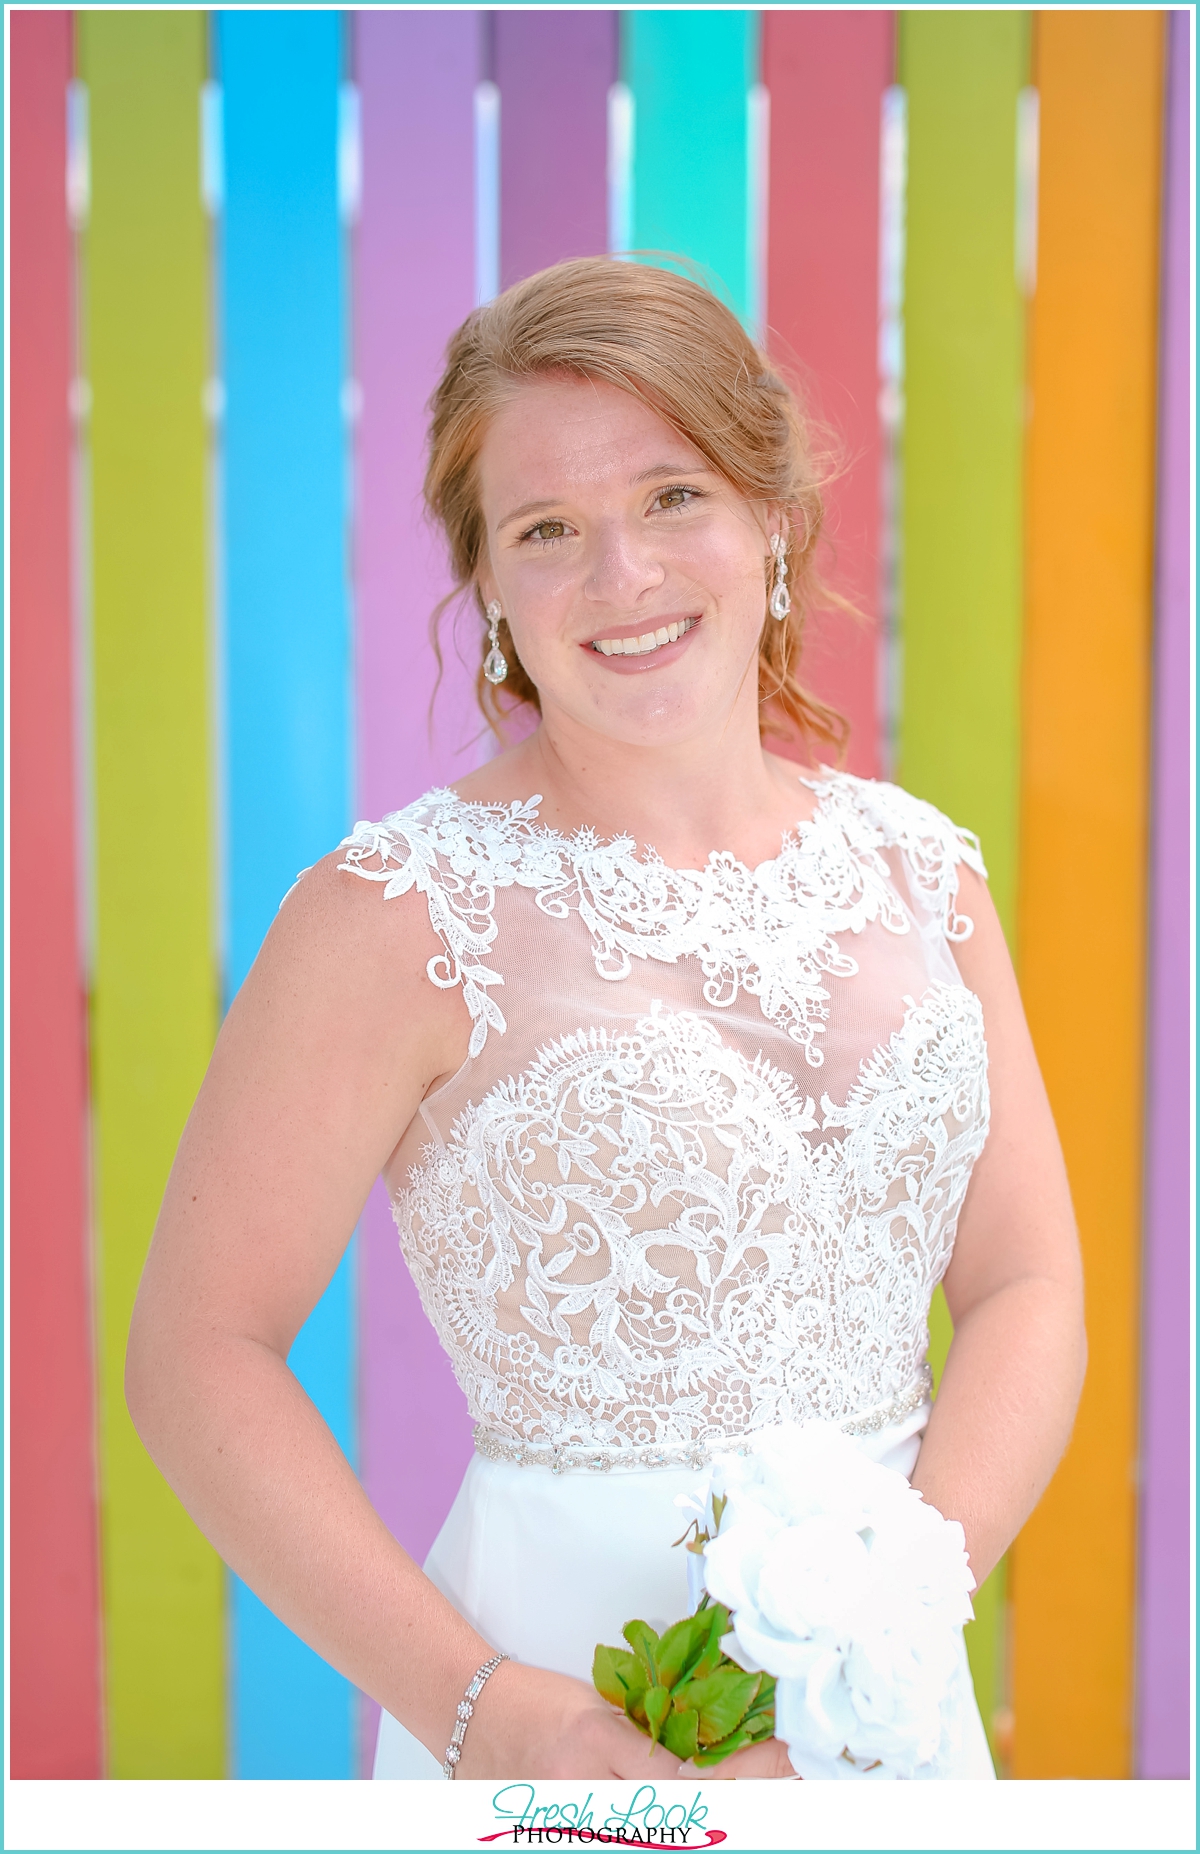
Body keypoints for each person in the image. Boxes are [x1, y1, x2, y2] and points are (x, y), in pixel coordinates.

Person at [127, 258, 1085, 1782]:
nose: (621, 577)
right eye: (548, 531)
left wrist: (895, 1609)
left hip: (890, 1711)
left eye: (671, 497)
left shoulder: (926, 875)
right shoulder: (394, 916)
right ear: (490, 587)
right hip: (556, 1712)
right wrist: (492, 1708)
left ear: (770, 515)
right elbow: (197, 1353)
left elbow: (1029, 1281)